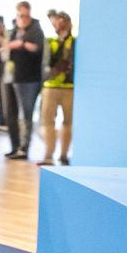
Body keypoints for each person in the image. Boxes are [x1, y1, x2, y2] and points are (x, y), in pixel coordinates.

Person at [4, 1, 46, 161]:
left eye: (25, 15)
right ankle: (16, 146)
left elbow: (37, 49)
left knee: (26, 115)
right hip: (14, 77)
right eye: (20, 15)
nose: (23, 18)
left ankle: (24, 148)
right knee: (12, 114)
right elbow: (7, 48)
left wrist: (21, 44)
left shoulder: (36, 30)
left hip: (30, 79)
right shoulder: (14, 30)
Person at [39, 10, 76, 166]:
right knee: (48, 122)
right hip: (50, 87)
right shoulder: (49, 40)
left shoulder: (74, 42)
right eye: (55, 22)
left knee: (68, 122)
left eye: (61, 22)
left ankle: (64, 154)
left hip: (69, 87)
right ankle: (48, 154)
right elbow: (45, 63)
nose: (58, 25)